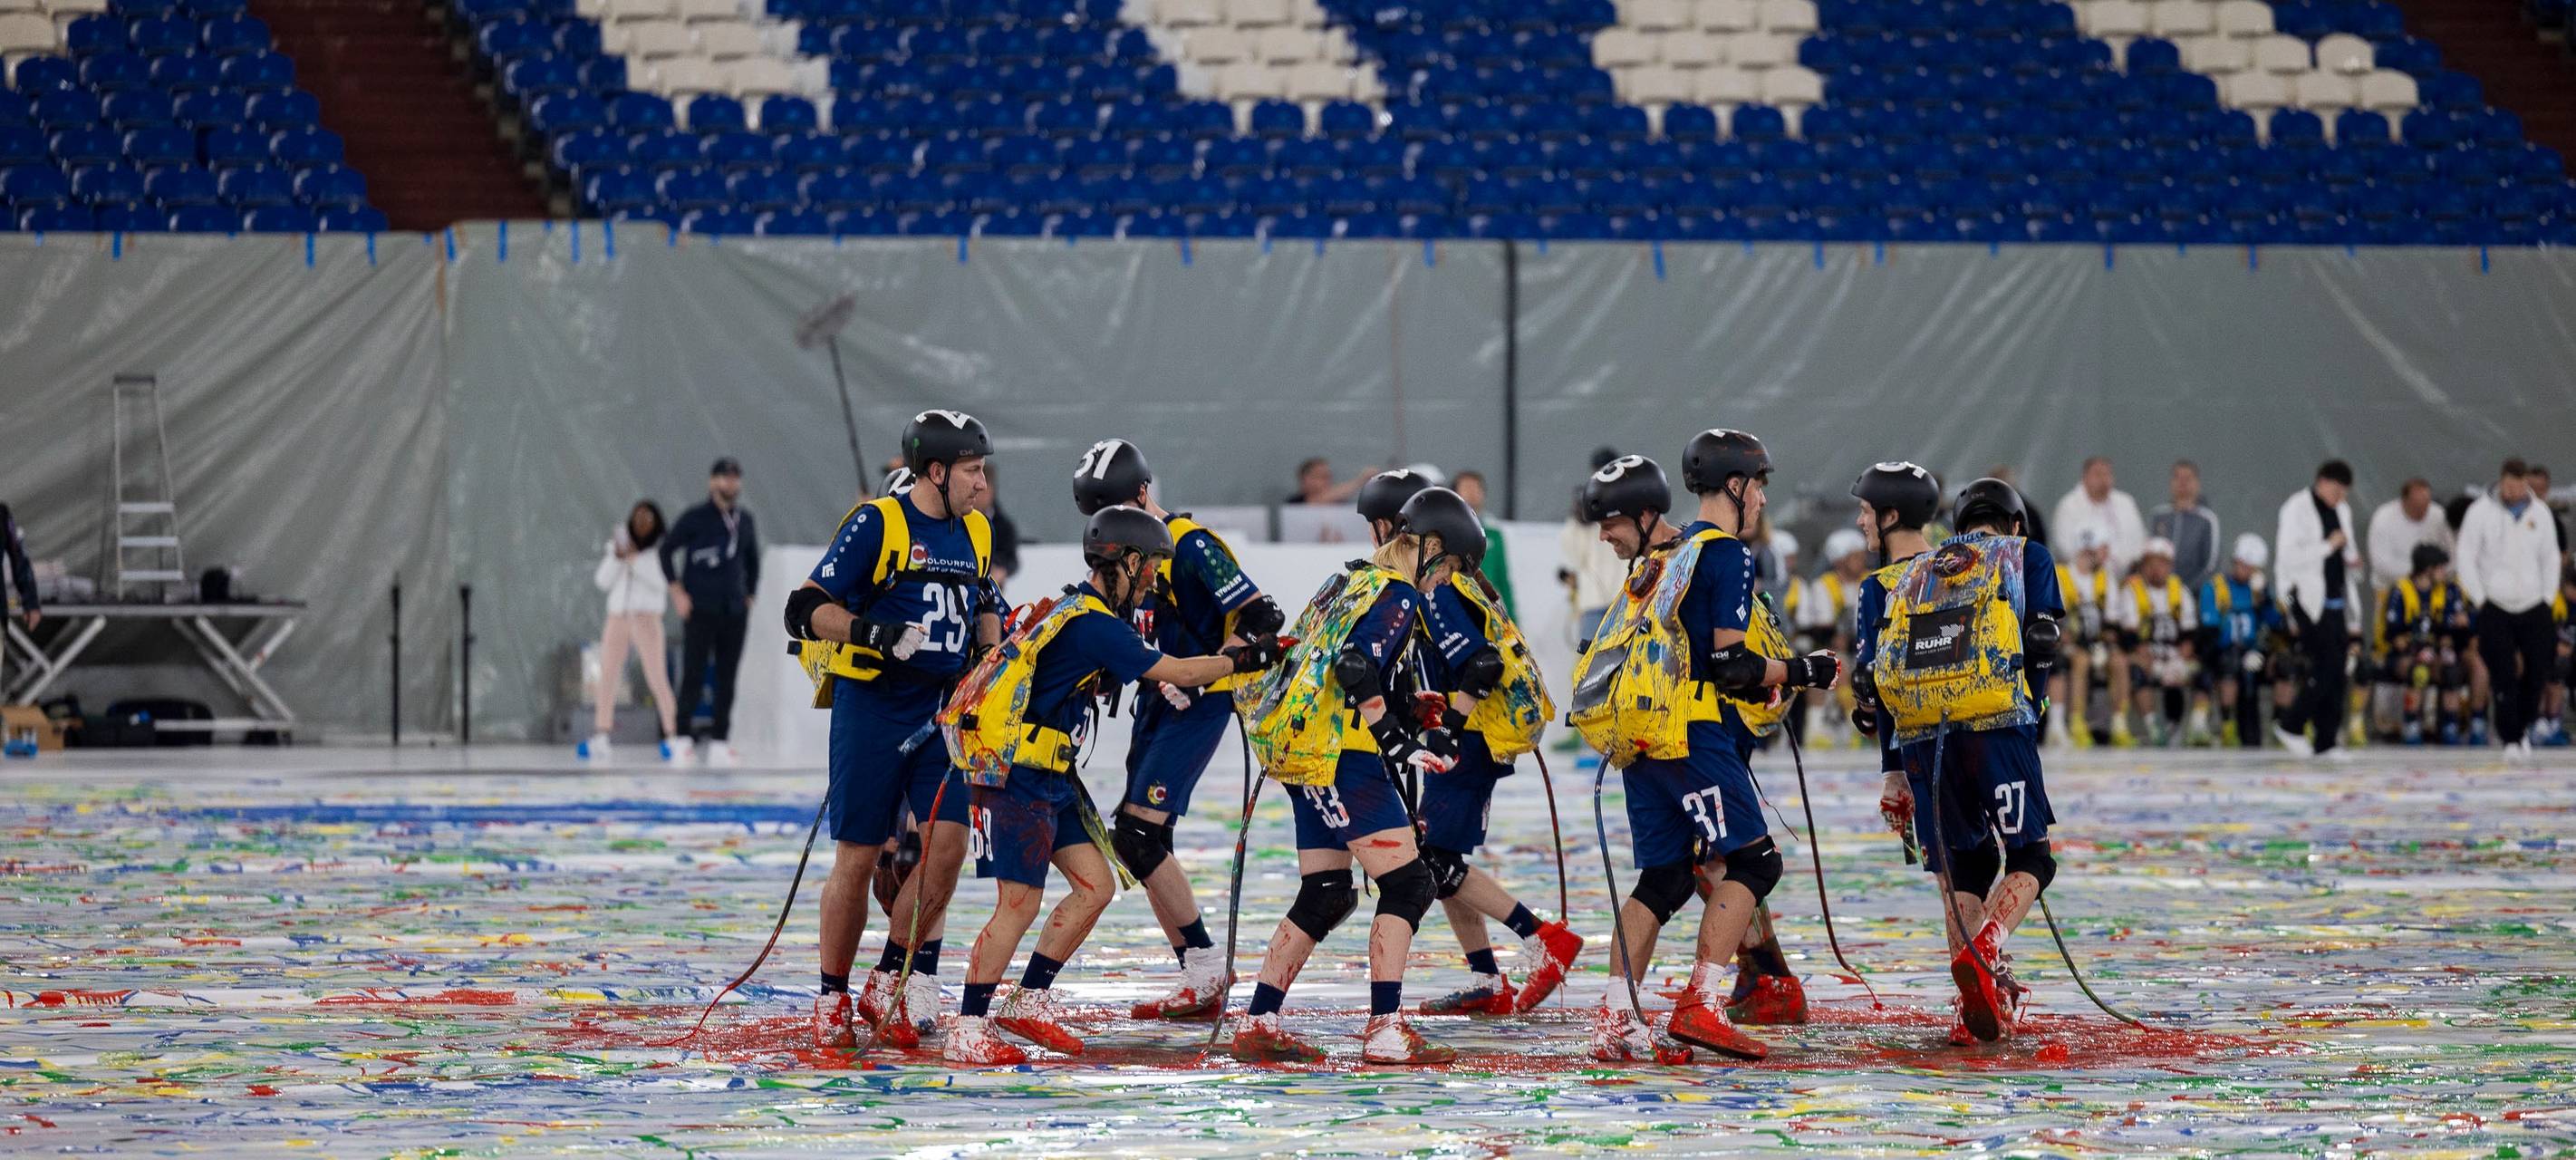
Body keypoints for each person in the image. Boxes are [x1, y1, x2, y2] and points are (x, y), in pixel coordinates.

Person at [941, 506, 1284, 1063]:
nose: (1152, 581)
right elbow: (1177, 671)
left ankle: (1028, 1000)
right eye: (1147, 568)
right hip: (1016, 777)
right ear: (1123, 561)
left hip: (1052, 776)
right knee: (1019, 905)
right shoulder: (1095, 625)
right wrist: (1243, 659)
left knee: (1095, 885)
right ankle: (968, 1026)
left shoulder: (1081, 611)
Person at [1568, 433, 1842, 1063]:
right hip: (1691, 735)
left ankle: (1616, 1019)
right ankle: (1702, 1002)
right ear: (1738, 486)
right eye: (1759, 485)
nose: (1763, 498)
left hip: (1639, 741)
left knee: (1662, 879)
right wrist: (1807, 672)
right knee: (1755, 863)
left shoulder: (1662, 557)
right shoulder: (1724, 554)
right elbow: (1732, 666)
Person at [1227, 488, 1481, 1066]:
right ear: (1431, 548)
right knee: (1410, 884)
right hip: (1342, 758)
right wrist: (1393, 736)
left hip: (1302, 753)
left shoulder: (1348, 580)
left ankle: (1260, 1021)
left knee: (1327, 892)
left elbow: (1333, 664)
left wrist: (1406, 709)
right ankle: (1386, 1030)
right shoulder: (1397, 593)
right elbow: (1353, 666)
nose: (1446, 583)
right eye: (1450, 570)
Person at [785, 411, 1004, 1049]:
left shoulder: (977, 531)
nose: (981, 485)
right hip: (875, 707)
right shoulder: (878, 523)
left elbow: (983, 603)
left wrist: (986, 669)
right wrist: (871, 632)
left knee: (949, 848)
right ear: (935, 471)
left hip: (941, 711)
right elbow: (802, 609)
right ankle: (831, 995)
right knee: (856, 857)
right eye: (971, 471)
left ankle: (889, 973)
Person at [1067, 439, 1288, 1022]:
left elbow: (1263, 617)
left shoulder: (1190, 546)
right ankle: (1198, 968)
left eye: (1120, 508)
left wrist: (1201, 676)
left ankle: (1206, 964)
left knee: (1138, 836)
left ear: (1145, 494)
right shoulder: (1123, 546)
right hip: (1156, 697)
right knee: (1138, 838)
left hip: (1201, 699)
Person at [1856, 476, 2064, 1046]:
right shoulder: (2026, 555)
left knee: (1962, 866)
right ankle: (1988, 948)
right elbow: (2043, 637)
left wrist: (1893, 768)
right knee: (2032, 855)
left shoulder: (1919, 570)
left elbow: (1873, 678)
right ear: (2015, 524)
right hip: (1999, 725)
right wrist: (2034, 704)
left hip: (1925, 735)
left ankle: (1970, 1006)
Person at [1395, 487, 1585, 1020]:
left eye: (1412, 540)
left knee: (1433, 860)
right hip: (1478, 736)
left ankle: (1542, 936)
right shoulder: (1460, 588)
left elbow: (1482, 666)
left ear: (1435, 544)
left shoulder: (1440, 591)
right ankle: (1486, 979)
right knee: (1445, 860)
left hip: (1472, 739)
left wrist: (1449, 730)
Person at [2455, 459, 2561, 759]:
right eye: (2508, 485)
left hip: (2534, 603)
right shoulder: (2480, 512)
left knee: (2538, 670)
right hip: (2495, 604)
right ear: (2501, 481)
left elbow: (2550, 556)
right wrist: (2479, 597)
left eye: (2518, 485)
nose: (2513, 491)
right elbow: (2466, 554)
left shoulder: (2540, 513)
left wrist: (2548, 596)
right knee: (2501, 673)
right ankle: (2510, 737)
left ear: (2525, 482)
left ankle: (2523, 727)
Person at [660, 458, 761, 766]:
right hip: (700, 610)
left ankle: (720, 739)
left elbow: (753, 559)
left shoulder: (744, 520)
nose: (729, 483)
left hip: (733, 611)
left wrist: (750, 595)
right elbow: (666, 551)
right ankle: (681, 736)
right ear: (712, 481)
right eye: (723, 477)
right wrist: (677, 592)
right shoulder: (695, 518)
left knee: (727, 677)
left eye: (734, 478)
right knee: (693, 672)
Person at [2272, 460, 2363, 760]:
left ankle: (2327, 740)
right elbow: (2288, 558)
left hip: (2335, 598)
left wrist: (2351, 559)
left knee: (2339, 670)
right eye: (2335, 491)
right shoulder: (2296, 509)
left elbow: (2345, 547)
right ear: (2321, 482)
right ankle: (2291, 725)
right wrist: (2327, 546)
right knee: (2327, 664)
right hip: (2306, 600)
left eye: (2343, 493)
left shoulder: (2342, 510)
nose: (2339, 498)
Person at [582, 500, 685, 763]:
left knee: (657, 677)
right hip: (618, 617)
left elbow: (662, 582)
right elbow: (602, 581)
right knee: (608, 675)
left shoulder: (661, 551)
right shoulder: (618, 548)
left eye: (648, 519)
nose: (642, 524)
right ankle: (602, 734)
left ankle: (673, 735)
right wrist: (618, 557)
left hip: (646, 618)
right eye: (638, 518)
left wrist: (635, 561)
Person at [2374, 544, 2475, 745]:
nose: (2444, 573)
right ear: (2428, 569)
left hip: (2434, 653)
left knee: (2452, 672)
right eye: (2440, 568)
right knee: (2418, 671)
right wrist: (2418, 644)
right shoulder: (2401, 591)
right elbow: (2395, 637)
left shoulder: (2446, 591)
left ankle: (2449, 726)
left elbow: (2454, 629)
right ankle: (2412, 725)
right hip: (2403, 655)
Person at [2111, 537, 2205, 746]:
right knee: (2136, 671)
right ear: (2143, 565)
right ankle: (2153, 725)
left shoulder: (2180, 591)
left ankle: (2192, 726)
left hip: (2174, 654)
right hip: (2146, 654)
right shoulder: (2132, 591)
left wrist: (2179, 660)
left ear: (2170, 566)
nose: (2156, 569)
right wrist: (2153, 661)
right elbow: (2131, 635)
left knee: (2204, 670)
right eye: (2151, 563)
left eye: (2162, 563)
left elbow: (2189, 635)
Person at [2198, 534, 2286, 748]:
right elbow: (2210, 627)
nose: (2245, 571)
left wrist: (2265, 601)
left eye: (2251, 568)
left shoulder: (2259, 591)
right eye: (2242, 565)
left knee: (2286, 665)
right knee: (2233, 662)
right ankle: (2228, 727)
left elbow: (2276, 624)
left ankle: (2281, 725)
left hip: (2254, 651)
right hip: (2224, 650)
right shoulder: (2215, 588)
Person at [1794, 527, 1871, 749]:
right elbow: (1825, 631)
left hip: (1870, 649)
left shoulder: (1870, 580)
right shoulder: (1824, 586)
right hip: (1843, 650)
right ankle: (1821, 731)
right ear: (1840, 559)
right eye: (1855, 556)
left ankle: (1863, 728)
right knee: (1828, 667)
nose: (1861, 560)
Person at [2051, 525, 2120, 748]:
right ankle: (2077, 721)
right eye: (2103, 548)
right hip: (2065, 642)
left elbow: (2111, 622)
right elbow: (2054, 617)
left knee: (2119, 661)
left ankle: (2119, 724)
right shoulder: (2062, 575)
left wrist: (2105, 643)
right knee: (2080, 661)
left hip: (2095, 642)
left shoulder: (2104, 578)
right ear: (2089, 549)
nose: (2107, 554)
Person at [1558, 449, 1632, 650]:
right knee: (1591, 664)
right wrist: (1578, 517)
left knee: (1628, 660)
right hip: (1593, 602)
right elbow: (1574, 555)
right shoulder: (1588, 502)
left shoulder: (1631, 499)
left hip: (1626, 599)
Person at [2051, 457, 2147, 574]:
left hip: (2123, 578)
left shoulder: (2126, 503)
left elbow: (2139, 541)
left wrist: (2115, 557)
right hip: (2079, 579)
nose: (2103, 479)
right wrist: (2094, 558)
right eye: (2097, 474)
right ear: (2085, 477)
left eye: (2107, 474)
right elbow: (2064, 548)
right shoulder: (2068, 506)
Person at [2368, 478, 2453, 597]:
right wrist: (2421, 574)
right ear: (2404, 501)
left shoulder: (2438, 514)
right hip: (2391, 589)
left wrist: (2440, 572)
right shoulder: (2383, 518)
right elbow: (2381, 564)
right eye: (2417, 507)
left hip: (2433, 589)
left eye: (2426, 506)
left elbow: (2452, 552)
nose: (2423, 512)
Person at [2147, 460, 2222, 590]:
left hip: (2193, 595)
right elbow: (2149, 556)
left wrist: (2185, 591)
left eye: (2188, 478)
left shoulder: (2207, 519)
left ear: (2197, 484)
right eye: (2177, 477)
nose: (2182, 483)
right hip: (2157, 594)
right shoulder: (2158, 515)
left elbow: (2211, 565)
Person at [1452, 470, 1516, 616]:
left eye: (1476, 488)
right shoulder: (1447, 530)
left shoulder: (1494, 533)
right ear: (1455, 492)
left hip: (1486, 609)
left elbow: (1503, 579)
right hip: (1455, 607)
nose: (1472, 493)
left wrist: (1513, 618)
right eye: (1467, 488)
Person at [1284, 456, 1370, 506]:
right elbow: (1316, 501)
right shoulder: (1295, 503)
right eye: (1321, 476)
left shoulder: (1339, 504)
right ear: (1305, 479)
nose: (1327, 481)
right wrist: (1360, 480)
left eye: (1328, 477)